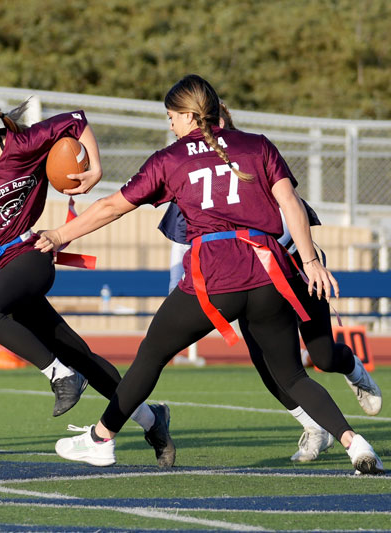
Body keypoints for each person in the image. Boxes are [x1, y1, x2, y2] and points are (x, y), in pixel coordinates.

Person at [37, 74, 384, 474]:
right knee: (291, 374)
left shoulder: (172, 158)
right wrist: (310, 261)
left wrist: (61, 233)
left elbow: (113, 206)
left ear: (187, 114)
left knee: (151, 354)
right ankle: (355, 444)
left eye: (171, 116)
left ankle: (100, 439)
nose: (170, 124)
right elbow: (289, 201)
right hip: (271, 273)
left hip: (217, 275)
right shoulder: (257, 144)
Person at [0, 91, 176, 467]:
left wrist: (96, 168)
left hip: (31, 253)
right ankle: (151, 419)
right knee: (81, 355)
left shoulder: (24, 142)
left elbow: (76, 120)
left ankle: (60, 376)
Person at [158, 102, 382, 463]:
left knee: (322, 356)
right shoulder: (192, 174)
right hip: (251, 277)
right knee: (271, 368)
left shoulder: (254, 159)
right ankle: (313, 427)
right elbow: (184, 239)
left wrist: (311, 263)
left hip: (294, 269)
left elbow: (293, 214)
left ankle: (353, 369)